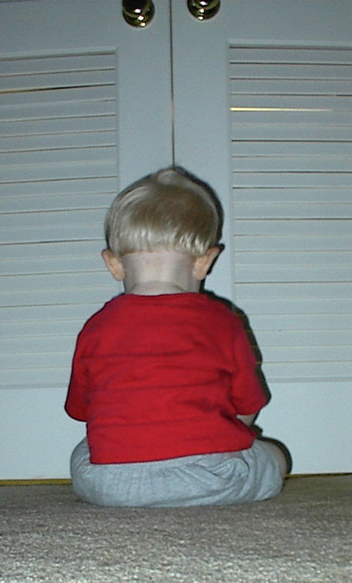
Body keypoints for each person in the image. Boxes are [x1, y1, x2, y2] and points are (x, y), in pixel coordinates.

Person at [65, 166, 290, 507]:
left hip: (115, 486)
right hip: (210, 478)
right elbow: (247, 406)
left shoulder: (95, 328)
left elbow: (81, 411)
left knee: (82, 452)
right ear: (204, 262)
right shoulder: (223, 322)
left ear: (114, 264)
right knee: (274, 456)